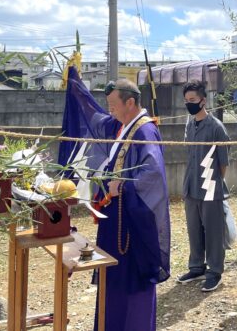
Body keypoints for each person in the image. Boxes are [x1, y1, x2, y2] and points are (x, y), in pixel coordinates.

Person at [58, 71, 170, 331]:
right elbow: (95, 118)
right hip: (118, 217)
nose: (110, 112)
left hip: (131, 225)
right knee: (115, 281)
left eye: (113, 106)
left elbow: (154, 175)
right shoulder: (123, 127)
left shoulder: (145, 132)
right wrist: (77, 89)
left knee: (132, 283)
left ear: (129, 103)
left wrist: (124, 187)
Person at [177, 80, 230, 292]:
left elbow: (223, 163)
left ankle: (214, 271)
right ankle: (197, 266)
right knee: (194, 229)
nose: (189, 104)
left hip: (210, 186)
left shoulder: (216, 127)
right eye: (186, 101)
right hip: (191, 185)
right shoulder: (189, 124)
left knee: (213, 231)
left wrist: (214, 182)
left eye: (193, 100)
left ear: (203, 100)